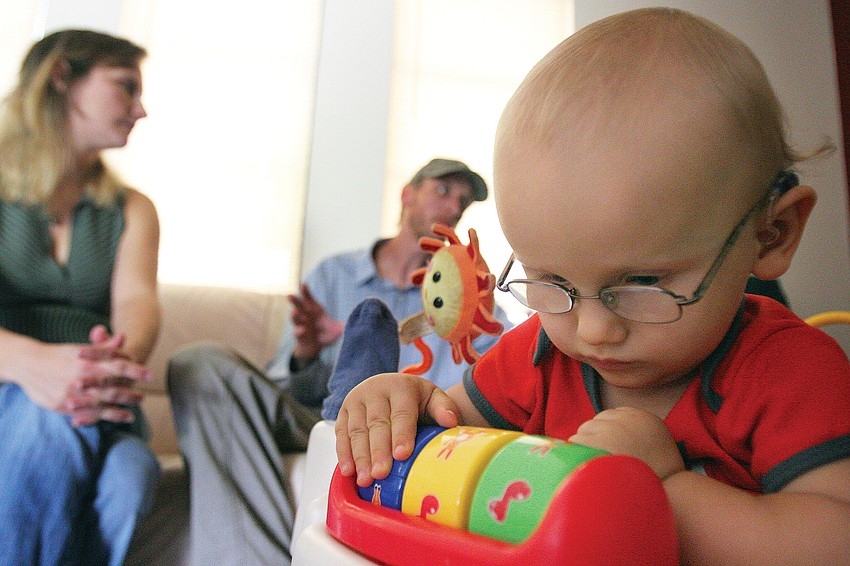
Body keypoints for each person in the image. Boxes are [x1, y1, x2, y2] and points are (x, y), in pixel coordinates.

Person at [335, 8, 850, 564]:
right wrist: (405, 409)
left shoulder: (792, 373)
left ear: (771, 235)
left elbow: (832, 540)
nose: (594, 330)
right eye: (552, 281)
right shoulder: (535, 355)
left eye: (643, 282)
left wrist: (662, 492)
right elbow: (449, 436)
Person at [167, 158, 513, 564]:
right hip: (319, 420)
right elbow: (282, 394)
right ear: (407, 194)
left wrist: (478, 315)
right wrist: (307, 355)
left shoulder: (471, 307)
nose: (455, 207)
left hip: (403, 437)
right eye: (443, 191)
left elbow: (501, 380)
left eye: (464, 201)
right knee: (199, 364)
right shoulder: (334, 276)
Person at [0, 30, 161, 565]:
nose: (141, 109)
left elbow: (137, 302)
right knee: (52, 418)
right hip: (10, 385)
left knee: (133, 478)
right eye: (125, 87)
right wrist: (34, 364)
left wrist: (113, 361)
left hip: (99, 395)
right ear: (62, 78)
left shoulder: (132, 209)